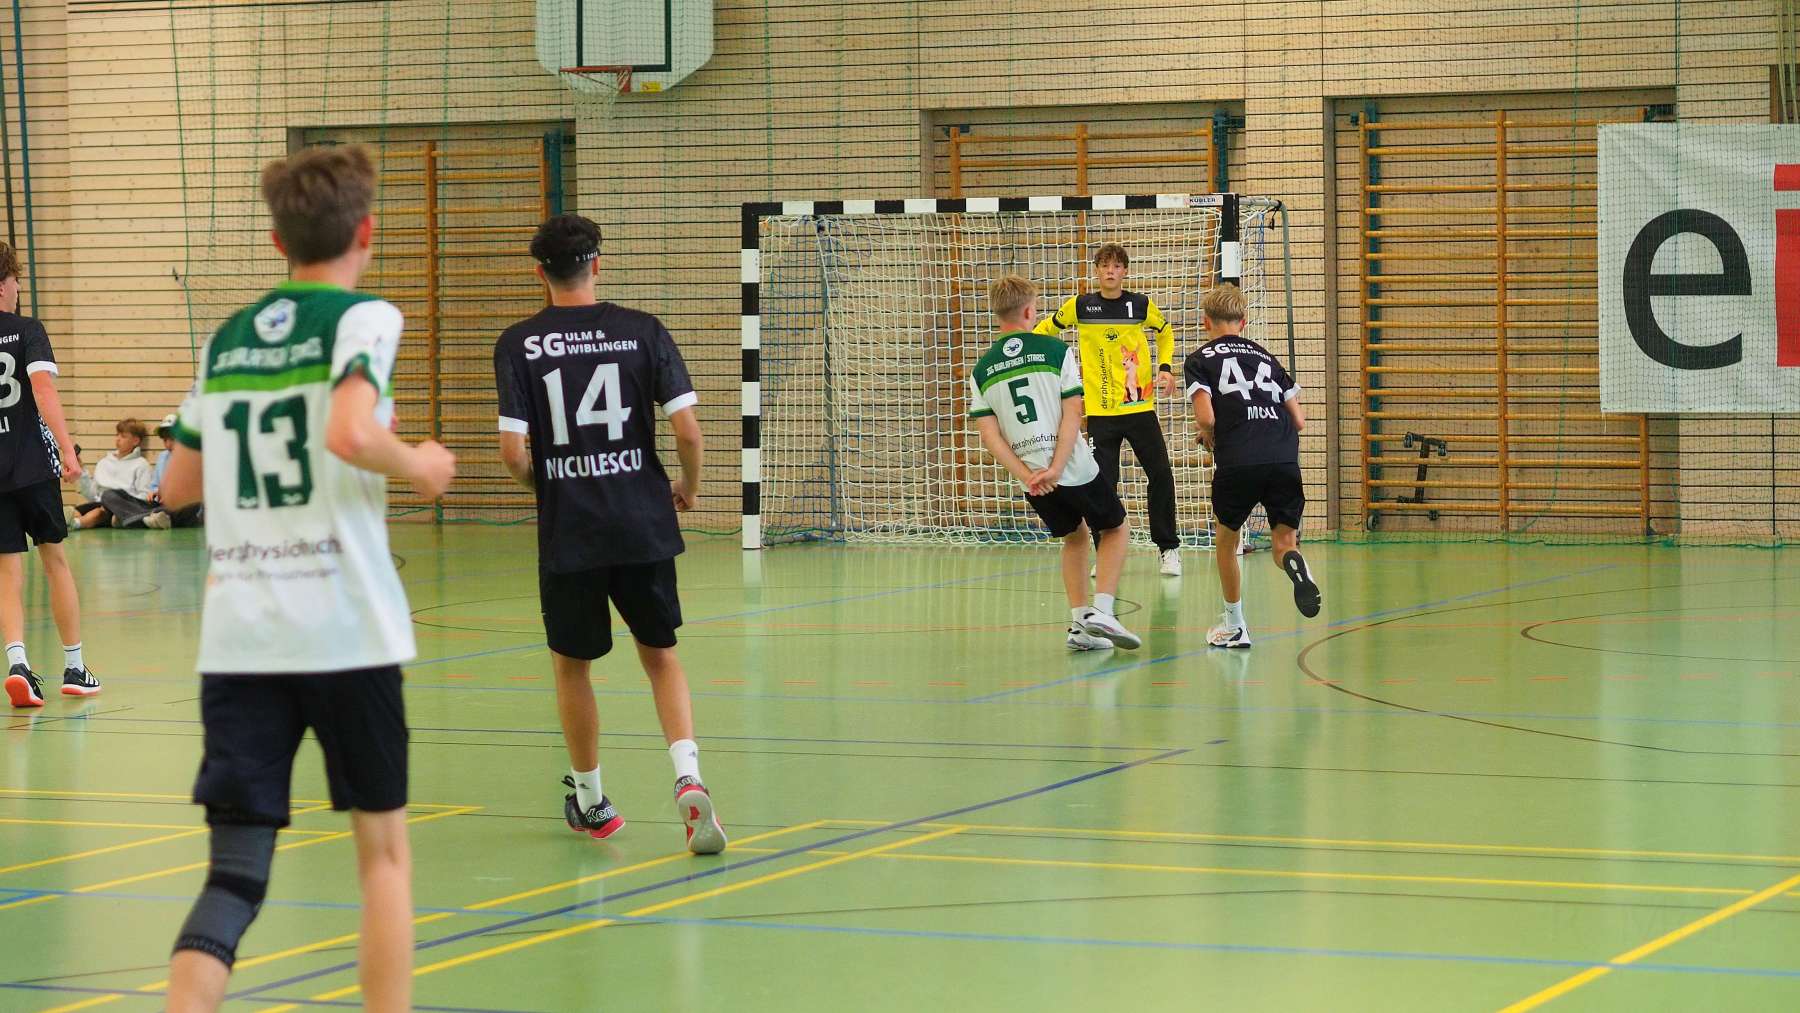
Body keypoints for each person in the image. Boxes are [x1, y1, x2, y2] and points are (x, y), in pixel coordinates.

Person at [158, 144, 456, 1013]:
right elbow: (350, 432)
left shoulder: (225, 339)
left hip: (242, 639)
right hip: (346, 628)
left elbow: (176, 487)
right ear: (366, 232)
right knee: (383, 857)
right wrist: (422, 464)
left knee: (233, 878)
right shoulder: (365, 319)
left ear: (278, 240)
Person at [493, 212, 727, 854]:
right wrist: (689, 487)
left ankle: (592, 800)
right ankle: (688, 776)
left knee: (572, 666)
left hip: (571, 530)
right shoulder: (642, 331)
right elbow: (688, 432)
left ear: (539, 273)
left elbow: (513, 453)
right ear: (597, 265)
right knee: (661, 655)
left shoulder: (518, 344)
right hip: (642, 521)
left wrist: (549, 486)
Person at [971, 274, 1140, 653]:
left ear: (997, 313)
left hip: (1033, 479)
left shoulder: (981, 370)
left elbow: (991, 436)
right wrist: (1058, 466)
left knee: (1074, 536)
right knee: (1115, 529)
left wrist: (1028, 475)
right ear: (1029, 312)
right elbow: (1073, 412)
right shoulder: (1054, 350)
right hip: (1071, 467)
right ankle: (1103, 611)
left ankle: (1080, 626)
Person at [1182, 283, 1320, 649]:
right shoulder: (1266, 357)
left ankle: (1235, 625)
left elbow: (1206, 416)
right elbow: (1300, 420)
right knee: (1284, 543)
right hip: (1283, 457)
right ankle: (1296, 564)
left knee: (1226, 543)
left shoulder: (1199, 359)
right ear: (1243, 322)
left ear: (1205, 321)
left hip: (1239, 459)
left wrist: (1207, 434)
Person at [1035, 243, 1184, 575]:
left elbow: (1165, 333)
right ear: (1097, 271)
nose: (1110, 271)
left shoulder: (1140, 305)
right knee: (1102, 485)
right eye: (1104, 266)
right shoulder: (1080, 306)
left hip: (1139, 408)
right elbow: (1044, 330)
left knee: (1160, 473)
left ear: (1125, 271)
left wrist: (1165, 368)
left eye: (1116, 266)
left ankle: (1168, 548)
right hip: (1100, 415)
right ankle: (1104, 552)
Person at [0, 242, 100, 706]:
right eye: (15, 281)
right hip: (34, 466)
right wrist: (66, 448)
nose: (18, 289)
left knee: (7, 569)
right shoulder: (27, 330)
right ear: (4, 286)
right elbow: (43, 390)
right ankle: (75, 668)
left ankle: (17, 663)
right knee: (55, 560)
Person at [67, 417, 156, 529]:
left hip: (123, 508)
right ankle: (66, 520)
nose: (118, 439)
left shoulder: (141, 464)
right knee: (75, 512)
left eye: (123, 436)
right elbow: (92, 495)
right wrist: (81, 470)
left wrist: (121, 505)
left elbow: (143, 497)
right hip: (99, 503)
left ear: (136, 441)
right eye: (117, 435)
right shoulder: (104, 463)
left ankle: (76, 524)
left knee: (99, 512)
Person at [136, 413, 203, 529]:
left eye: (172, 439)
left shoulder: (196, 457)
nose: (168, 444)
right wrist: (154, 492)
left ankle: (137, 518)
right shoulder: (162, 457)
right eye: (165, 440)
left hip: (185, 510)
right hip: (161, 506)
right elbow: (154, 485)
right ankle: (154, 518)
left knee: (190, 505)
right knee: (111, 495)